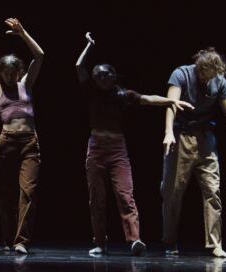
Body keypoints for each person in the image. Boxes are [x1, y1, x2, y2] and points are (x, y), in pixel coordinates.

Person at [74, 32, 194, 256]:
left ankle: (135, 240)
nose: (100, 78)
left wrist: (172, 100)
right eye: (97, 75)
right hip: (96, 148)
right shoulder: (90, 91)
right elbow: (79, 65)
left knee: (125, 194)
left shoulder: (122, 94)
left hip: (118, 149)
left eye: (104, 75)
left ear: (112, 76)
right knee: (97, 198)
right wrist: (89, 45)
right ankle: (100, 242)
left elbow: (148, 99)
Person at [160, 47, 226, 258]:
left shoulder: (219, 81)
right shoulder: (181, 74)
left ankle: (214, 244)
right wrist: (169, 132)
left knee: (212, 191)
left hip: (206, 140)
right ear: (199, 68)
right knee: (172, 192)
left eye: (214, 75)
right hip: (181, 138)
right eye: (207, 75)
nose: (210, 80)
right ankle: (169, 241)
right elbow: (171, 104)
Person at [0, 18, 43, 254]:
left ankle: (21, 241)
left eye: (12, 72)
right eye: (4, 73)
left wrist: (22, 32)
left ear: (20, 71)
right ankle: (8, 239)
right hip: (6, 143)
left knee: (28, 191)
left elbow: (40, 56)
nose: (8, 77)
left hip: (29, 143)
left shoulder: (26, 84)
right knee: (5, 193)